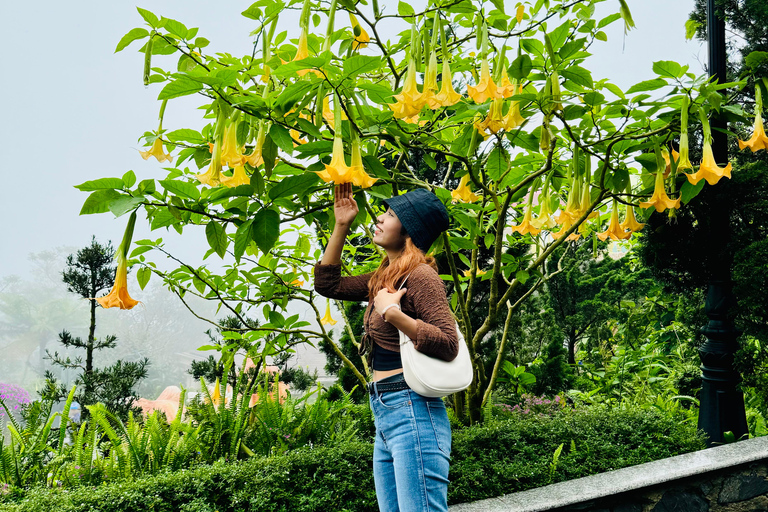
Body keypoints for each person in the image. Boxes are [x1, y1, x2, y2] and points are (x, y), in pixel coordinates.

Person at [314, 182, 459, 512]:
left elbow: (448, 343)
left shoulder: (421, 276)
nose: (379, 218)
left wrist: (392, 313)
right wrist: (341, 225)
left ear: (410, 229)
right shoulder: (385, 277)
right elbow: (328, 284)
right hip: (386, 410)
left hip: (413, 409)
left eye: (391, 214)